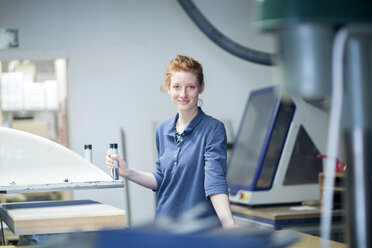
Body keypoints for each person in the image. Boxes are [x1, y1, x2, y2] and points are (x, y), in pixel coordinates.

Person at [106, 55, 236, 228]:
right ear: (168, 88)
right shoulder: (162, 129)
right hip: (165, 225)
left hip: (200, 229)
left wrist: (229, 224)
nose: (183, 94)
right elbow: (161, 178)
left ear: (201, 88)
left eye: (190, 87)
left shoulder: (213, 129)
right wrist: (127, 172)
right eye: (177, 87)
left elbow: (214, 179)